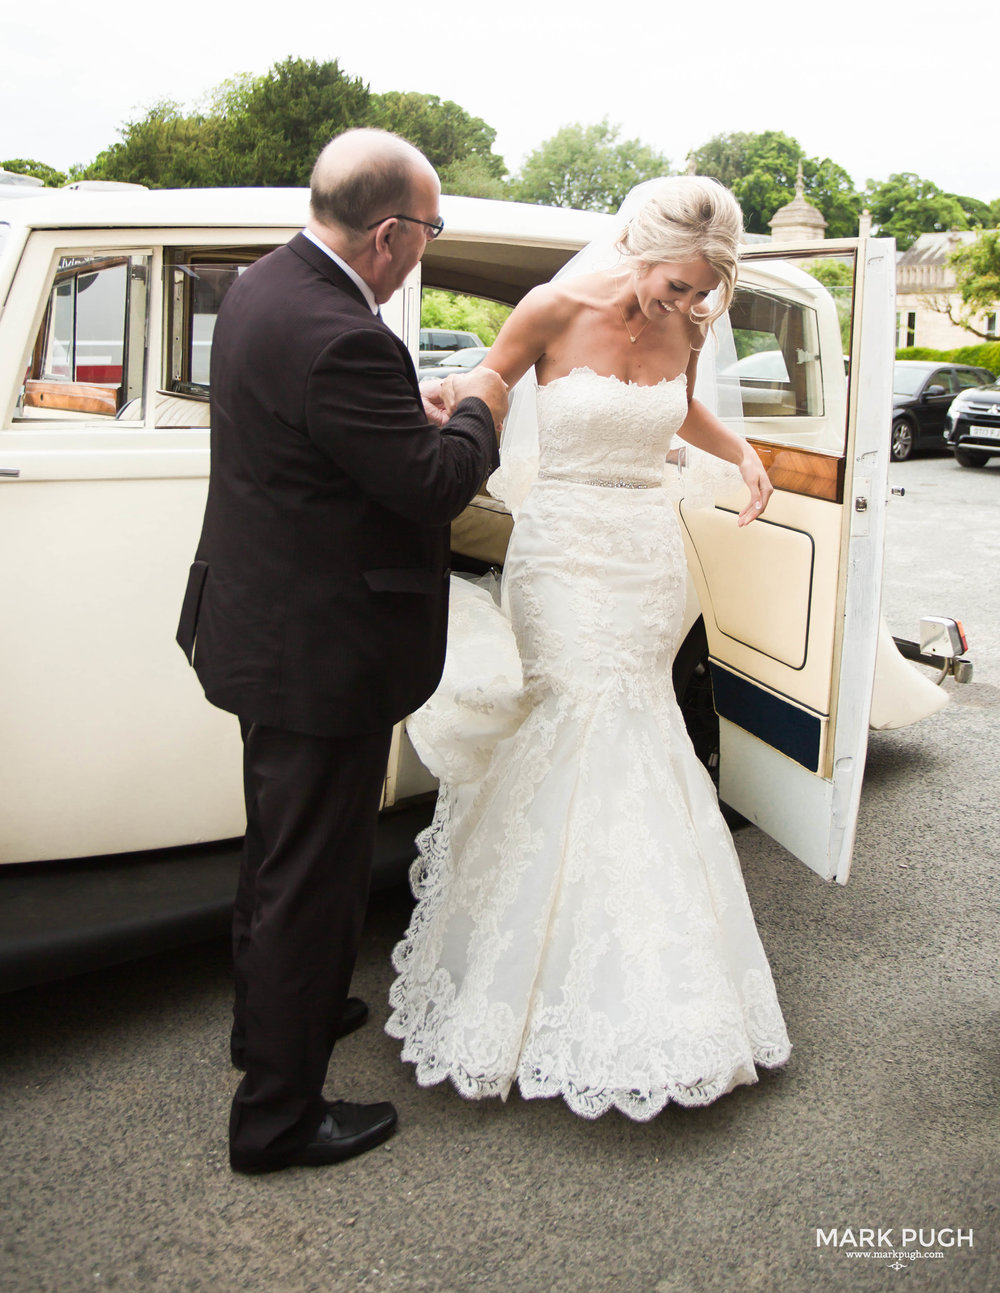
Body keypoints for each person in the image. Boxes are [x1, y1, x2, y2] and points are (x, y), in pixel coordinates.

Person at [386, 176, 791, 1120]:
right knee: (571, 725)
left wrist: (738, 449)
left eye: (703, 296)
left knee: (644, 731)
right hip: (561, 554)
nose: (688, 307)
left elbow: (674, 410)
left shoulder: (687, 330)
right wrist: (432, 407)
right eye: (679, 287)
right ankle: (519, 982)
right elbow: (486, 387)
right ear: (638, 249)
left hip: (644, 557)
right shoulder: (550, 308)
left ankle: (661, 982)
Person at [176, 128, 508, 1173]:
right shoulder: (346, 334)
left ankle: (284, 1017)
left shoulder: (266, 288)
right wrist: (480, 405)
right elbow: (432, 487)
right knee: (309, 876)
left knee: (281, 852)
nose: (428, 247)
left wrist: (406, 416)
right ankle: (276, 1116)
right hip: (320, 651)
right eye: (432, 230)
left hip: (264, 624)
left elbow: (320, 438)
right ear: (391, 233)